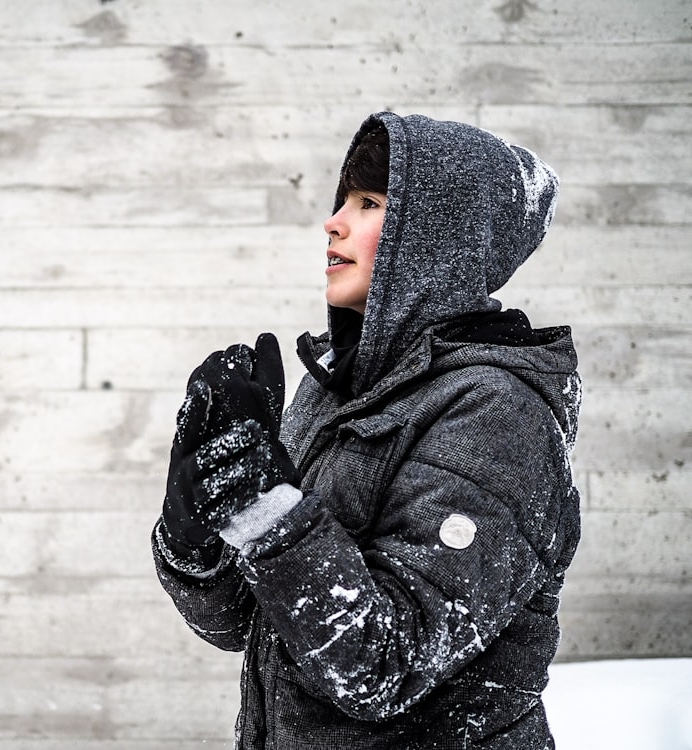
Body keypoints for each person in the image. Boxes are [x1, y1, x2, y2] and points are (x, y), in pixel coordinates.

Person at [150, 111, 582, 749]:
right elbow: (252, 630)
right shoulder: (332, 390)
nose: (333, 221)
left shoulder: (497, 415)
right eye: (343, 199)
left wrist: (268, 510)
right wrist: (197, 527)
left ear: (435, 239)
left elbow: (379, 665)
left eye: (370, 202)